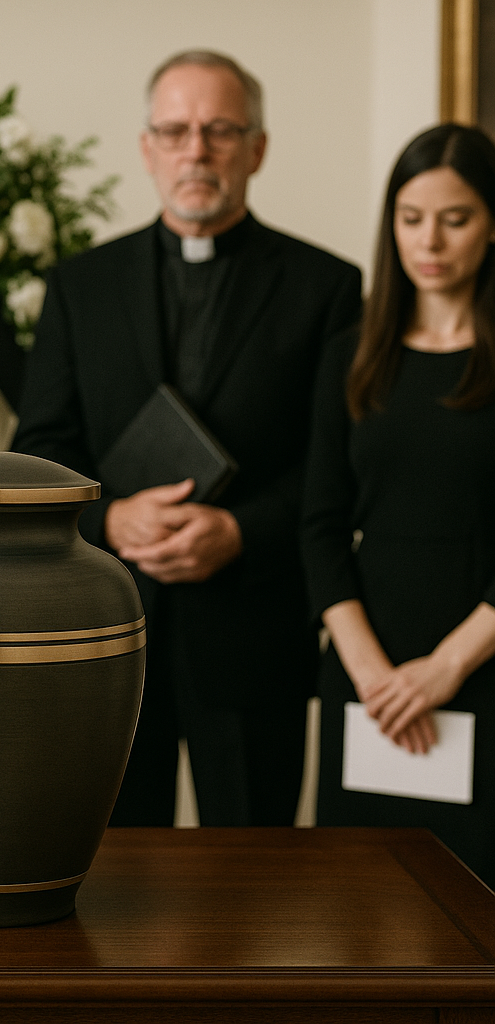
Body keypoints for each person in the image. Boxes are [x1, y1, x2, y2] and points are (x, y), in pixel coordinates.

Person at [13, 51, 362, 827]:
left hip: (252, 637)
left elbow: (337, 466)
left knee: (252, 894)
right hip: (108, 636)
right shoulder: (81, 286)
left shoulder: (327, 288)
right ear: (147, 149)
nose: (195, 151)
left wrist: (242, 529)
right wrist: (111, 521)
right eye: (175, 131)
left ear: (257, 148)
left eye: (219, 130)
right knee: (110, 889)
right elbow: (40, 446)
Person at [302, 123, 495, 887]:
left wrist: (445, 669)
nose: (431, 241)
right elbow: (318, 524)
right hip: (368, 671)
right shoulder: (350, 354)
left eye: (456, 218)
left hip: (479, 664)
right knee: (359, 902)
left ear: (492, 224)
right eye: (411, 218)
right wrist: (375, 676)